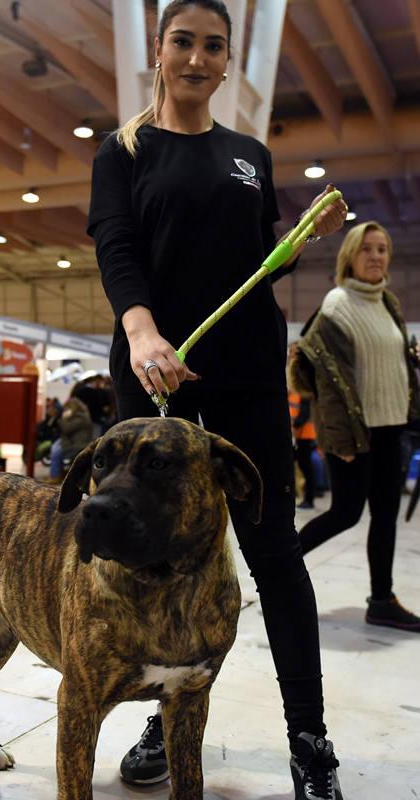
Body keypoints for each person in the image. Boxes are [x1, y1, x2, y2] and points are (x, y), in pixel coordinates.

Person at [86, 1, 348, 797]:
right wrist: (139, 333)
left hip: (243, 375)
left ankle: (309, 741)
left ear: (228, 61)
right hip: (154, 369)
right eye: (182, 43)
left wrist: (299, 244)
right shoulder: (123, 152)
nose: (196, 58)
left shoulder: (249, 156)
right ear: (158, 55)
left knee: (271, 556)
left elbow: (251, 267)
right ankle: (163, 714)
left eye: (212, 46)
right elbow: (117, 246)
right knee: (156, 560)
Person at [292, 221, 420, 632]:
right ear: (350, 254)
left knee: (384, 515)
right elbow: (327, 383)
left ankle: (381, 600)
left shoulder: (389, 303)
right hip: (354, 432)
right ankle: (277, 566)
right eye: (367, 248)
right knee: (345, 513)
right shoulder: (336, 304)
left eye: (382, 249)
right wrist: (342, 439)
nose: (376, 256)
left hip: (390, 427)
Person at [288, 348, 318, 510]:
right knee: (296, 466)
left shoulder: (302, 379)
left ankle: (309, 498)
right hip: (298, 433)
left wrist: (295, 426)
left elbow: (304, 410)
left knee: (306, 467)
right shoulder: (294, 380)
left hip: (304, 433)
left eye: (294, 353)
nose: (291, 355)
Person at [44, 394, 93, 484]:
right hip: (72, 442)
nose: (65, 410)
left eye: (68, 408)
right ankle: (56, 473)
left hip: (78, 445)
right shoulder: (78, 416)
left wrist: (61, 418)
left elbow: (66, 429)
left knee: (56, 451)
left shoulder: (81, 417)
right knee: (55, 448)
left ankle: (56, 476)